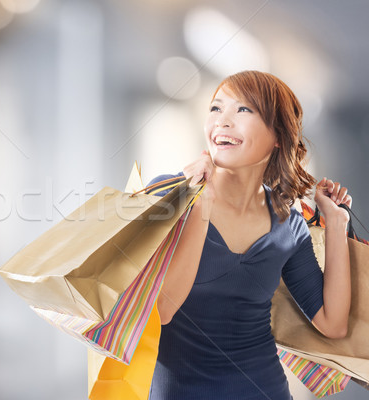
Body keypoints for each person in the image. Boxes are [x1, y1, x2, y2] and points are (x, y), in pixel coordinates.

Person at [147, 70, 352, 400]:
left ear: (278, 137)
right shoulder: (168, 196)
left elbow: (332, 324)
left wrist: (336, 222)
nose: (223, 122)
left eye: (243, 110)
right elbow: (159, 312)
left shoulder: (288, 222)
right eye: (216, 108)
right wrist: (201, 204)